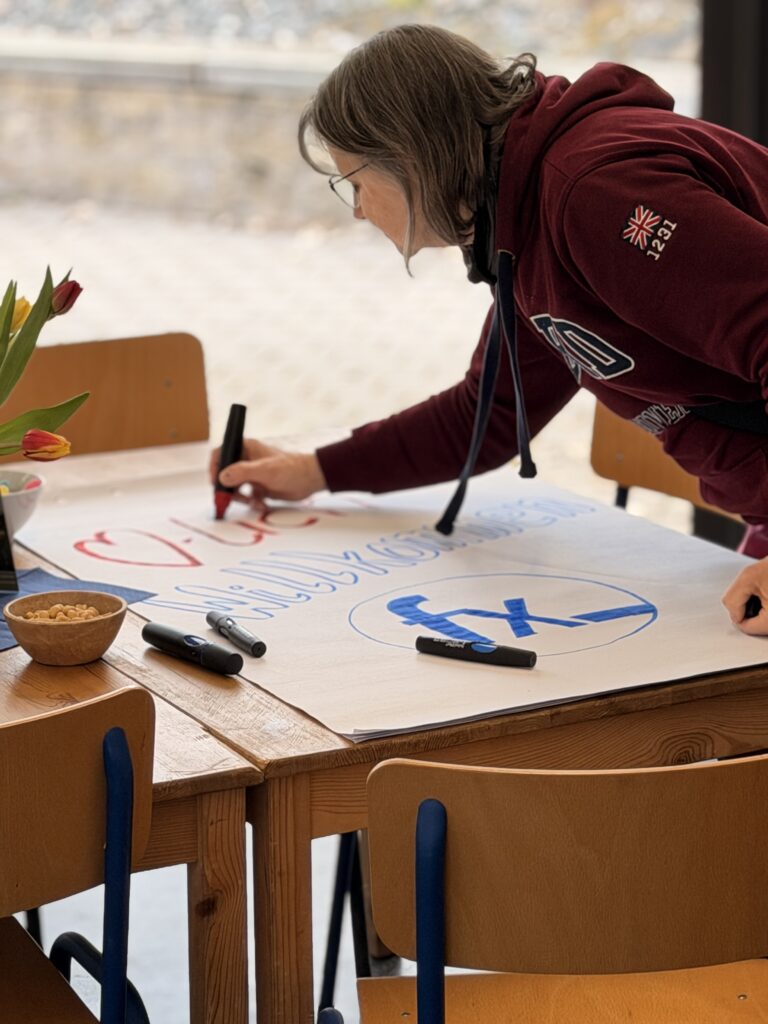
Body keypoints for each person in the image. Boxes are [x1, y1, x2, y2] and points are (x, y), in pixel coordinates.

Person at [210, 24, 768, 634]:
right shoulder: (523, 223)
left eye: (355, 182)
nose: (358, 209)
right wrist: (314, 470)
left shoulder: (593, 194)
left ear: (409, 153)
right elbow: (489, 414)